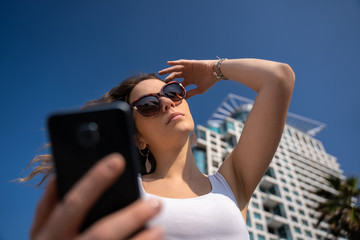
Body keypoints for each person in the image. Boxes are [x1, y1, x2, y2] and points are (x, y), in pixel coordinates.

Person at [23, 58, 295, 239]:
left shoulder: (233, 181)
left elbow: (278, 78)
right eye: (147, 106)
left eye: (174, 92)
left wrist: (213, 69)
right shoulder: (122, 194)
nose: (166, 103)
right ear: (138, 138)